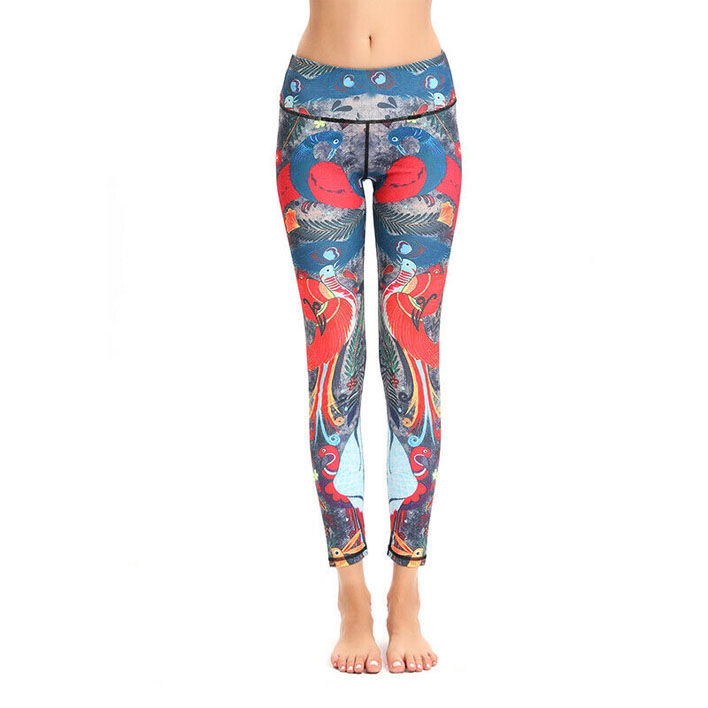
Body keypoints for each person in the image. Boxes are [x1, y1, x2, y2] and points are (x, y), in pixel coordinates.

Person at [275, 0, 461, 674]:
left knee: (413, 357)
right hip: (314, 109)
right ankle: (350, 589)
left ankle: (406, 588)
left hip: (423, 113)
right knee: (334, 357)